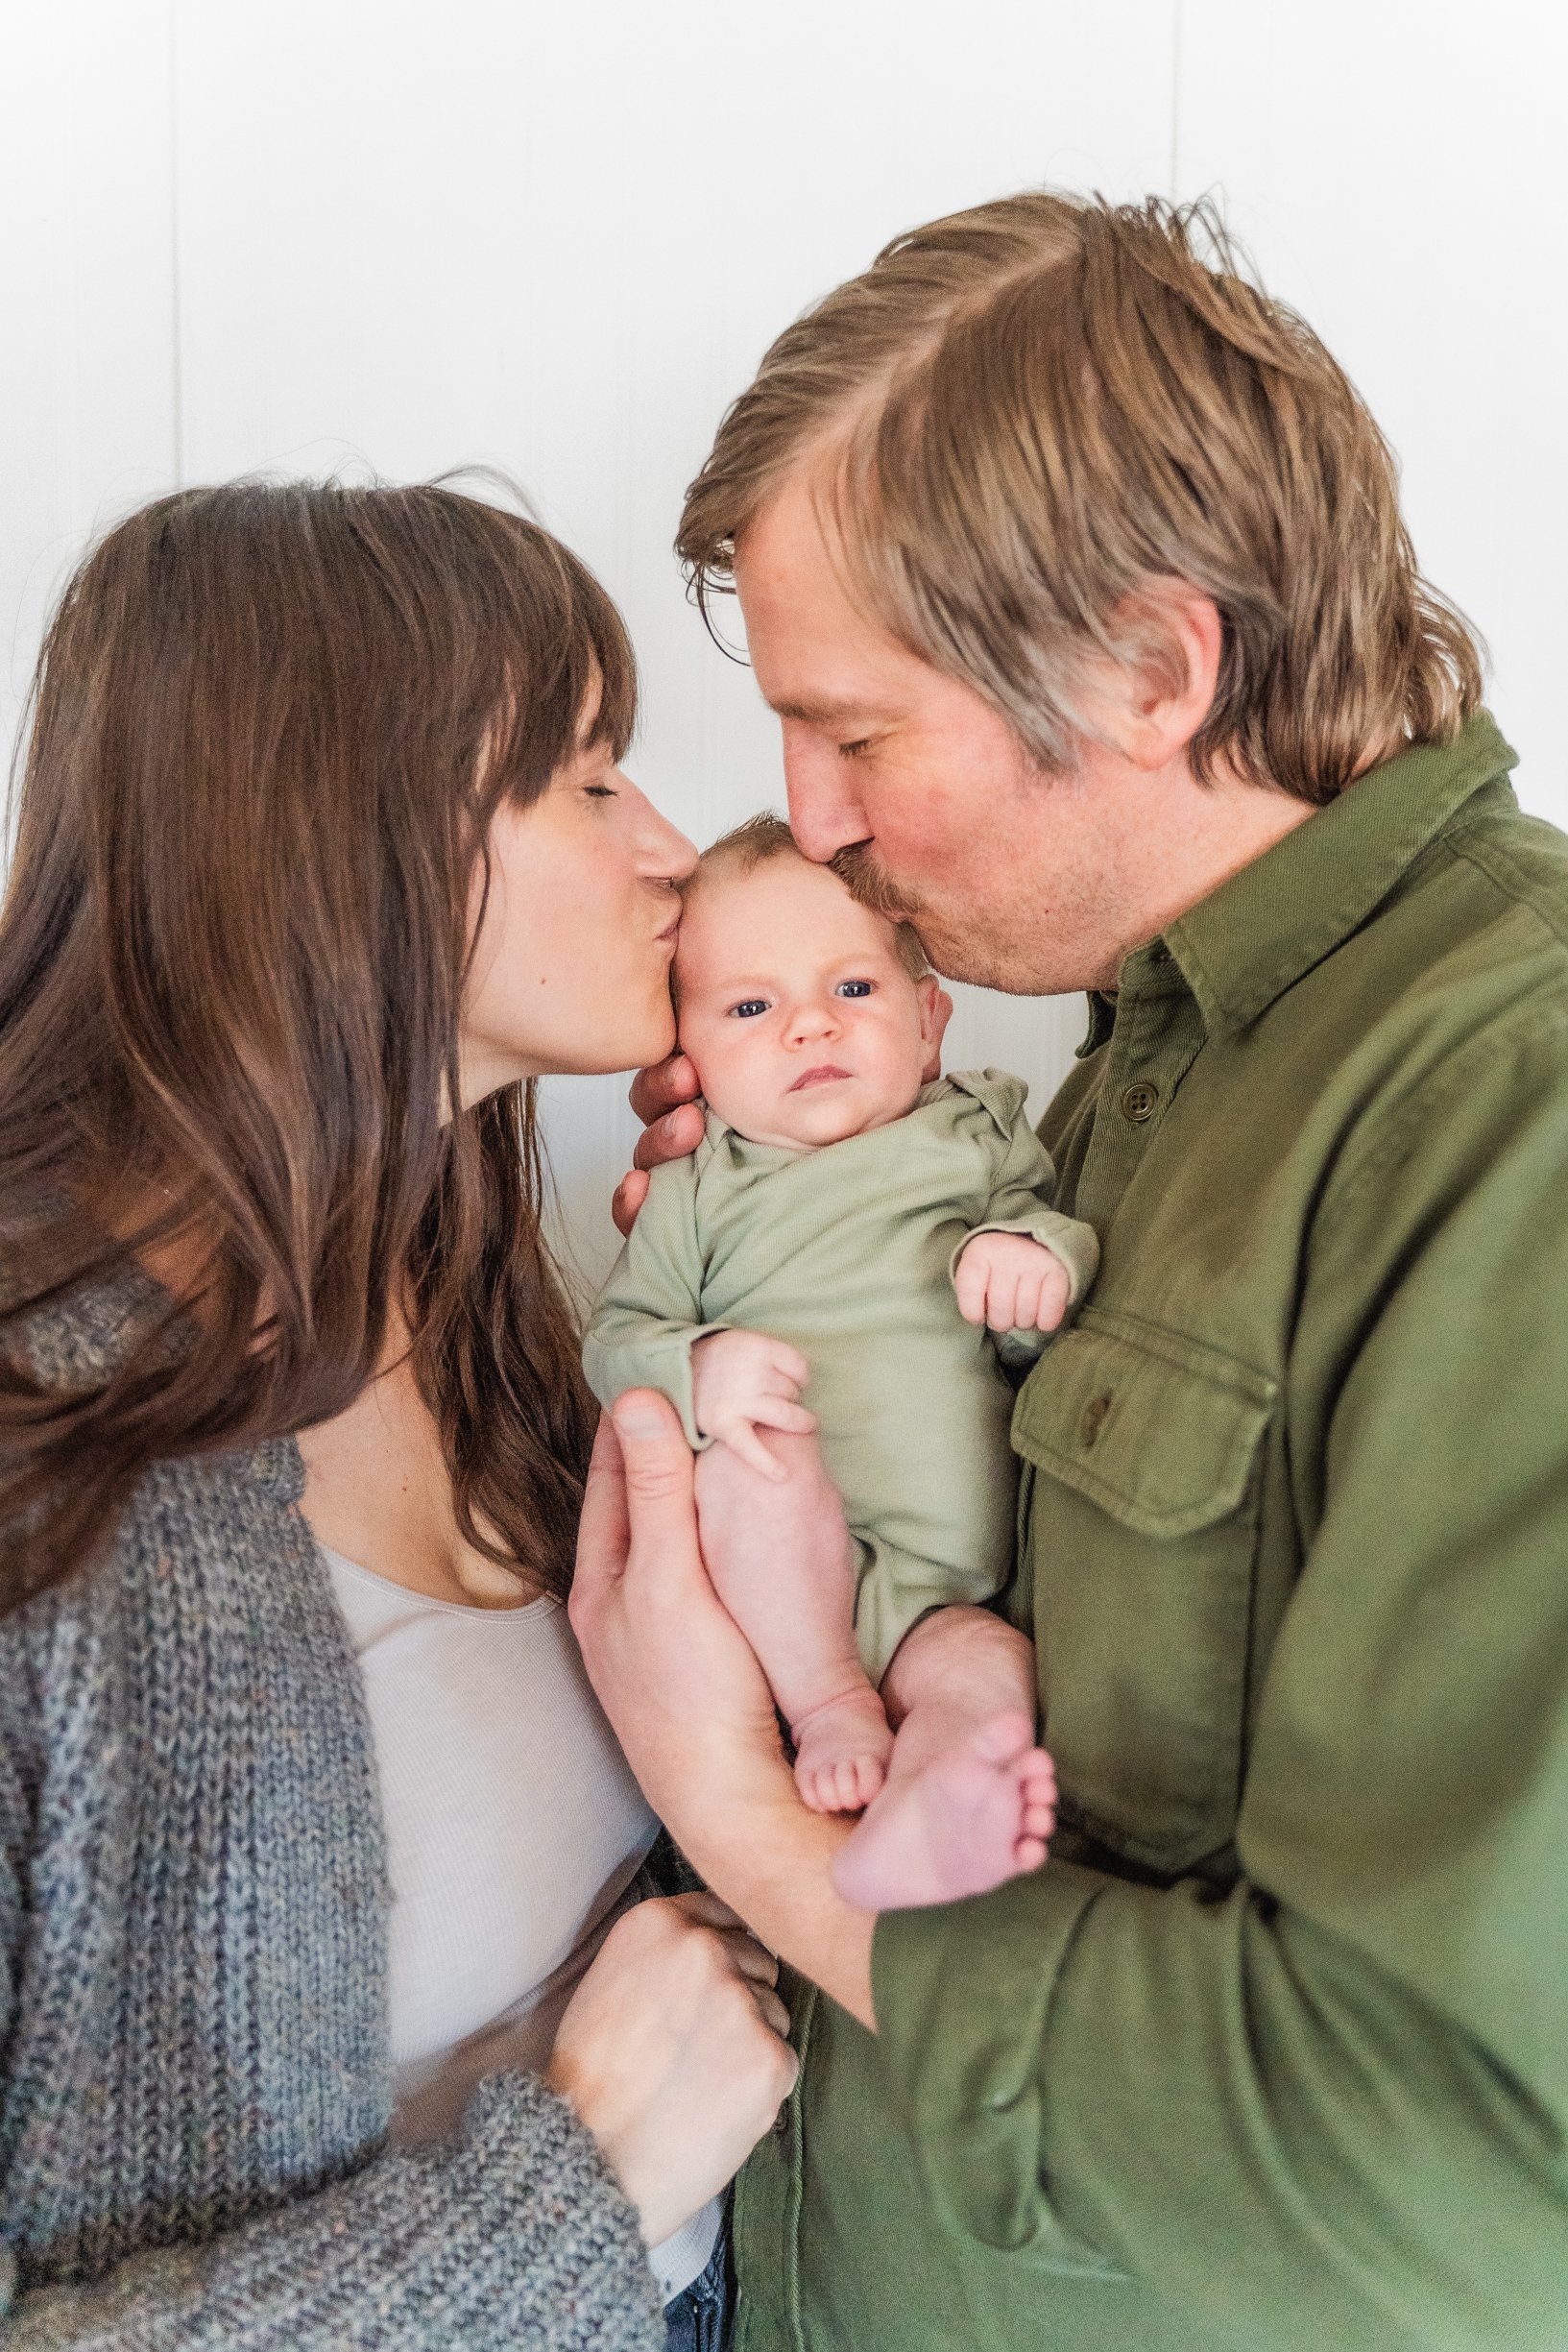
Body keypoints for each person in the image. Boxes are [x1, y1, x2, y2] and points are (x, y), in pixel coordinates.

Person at [570, 192, 1568, 2349]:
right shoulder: (1110, 1059)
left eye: (859, 734)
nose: (805, 820)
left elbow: (1446, 2153)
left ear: (1151, 667)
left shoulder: (1514, 1115)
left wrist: (746, 1824)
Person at [0, 481, 796, 2351]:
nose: (674, 847)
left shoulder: (518, 1331)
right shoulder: (39, 1458)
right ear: (330, 823)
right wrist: (572, 2194)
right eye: (585, 781)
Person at [585, 814, 1089, 1907]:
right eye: (751, 1007)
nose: (810, 1026)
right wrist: (698, 1366)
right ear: (688, 1059)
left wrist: (1029, 1262)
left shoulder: (975, 1134)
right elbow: (618, 1339)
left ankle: (942, 1795)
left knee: (987, 1671)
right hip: (780, 1589)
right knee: (746, 1465)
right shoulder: (696, 1189)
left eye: (853, 989)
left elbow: (1049, 1242)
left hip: (947, 1586)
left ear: (929, 1022)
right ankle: (828, 1710)